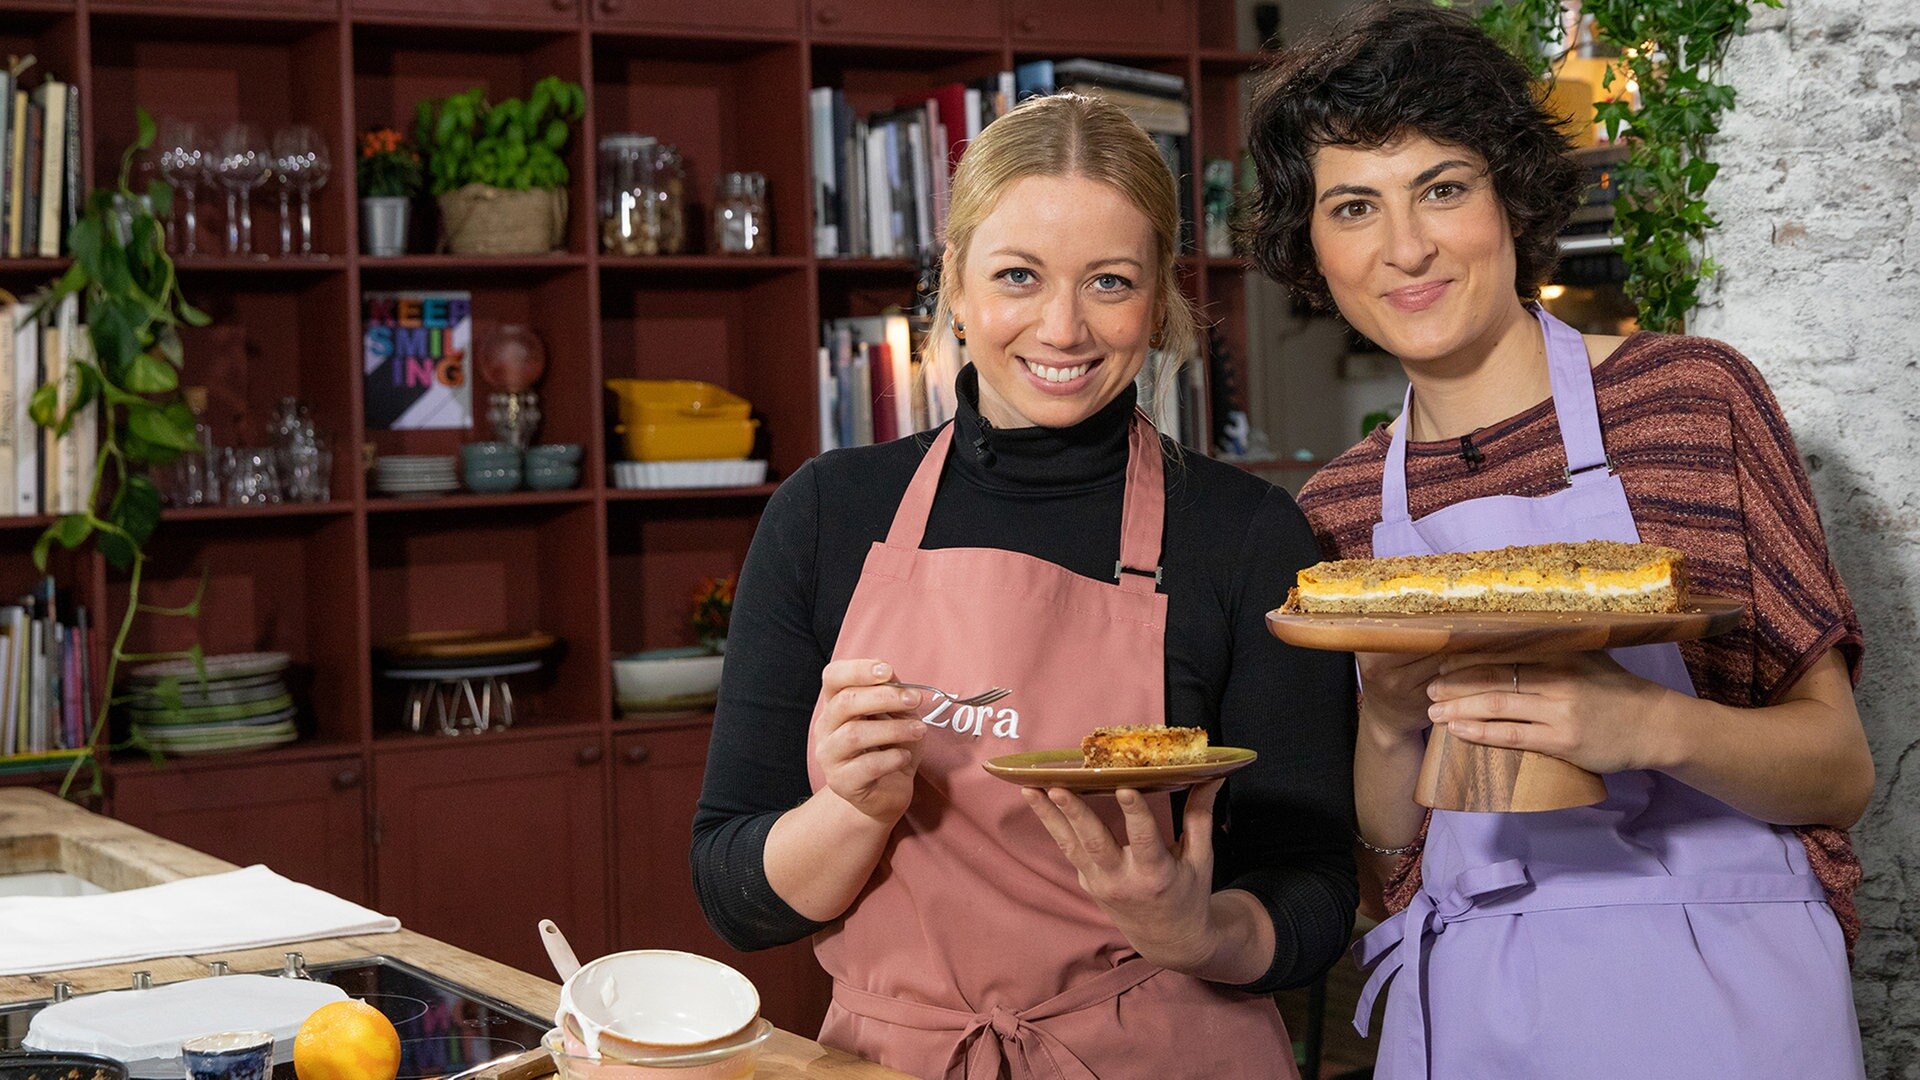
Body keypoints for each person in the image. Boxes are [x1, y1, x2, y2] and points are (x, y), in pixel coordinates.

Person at [1242, 3, 1873, 1077]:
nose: (1405, 248)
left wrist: (1642, 724)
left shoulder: (1686, 400)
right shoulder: (1340, 507)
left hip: (1722, 991)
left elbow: (1837, 770)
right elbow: (1390, 862)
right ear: (1314, 248)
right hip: (1470, 1004)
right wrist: (1392, 727)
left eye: (1442, 187)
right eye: (1354, 207)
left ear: (1511, 199)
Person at [692, 92, 1356, 1079]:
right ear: (953, 284)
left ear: (1159, 301)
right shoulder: (828, 515)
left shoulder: (1248, 536)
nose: (1063, 326)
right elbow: (734, 895)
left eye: (1110, 282)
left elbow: (1314, 892)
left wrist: (1196, 930)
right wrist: (851, 814)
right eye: (1017, 275)